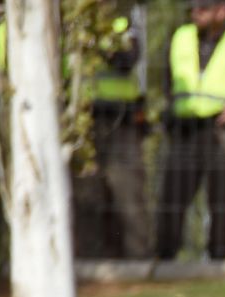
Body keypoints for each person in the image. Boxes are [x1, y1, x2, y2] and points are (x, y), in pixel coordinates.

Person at [156, 0, 225, 260]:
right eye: (194, 7)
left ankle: (219, 260)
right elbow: (167, 79)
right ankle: (165, 258)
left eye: (204, 7)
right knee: (172, 197)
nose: (196, 12)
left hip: (223, 129)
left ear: (222, 10)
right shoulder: (180, 37)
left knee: (222, 200)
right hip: (185, 129)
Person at [74, 10, 151, 258]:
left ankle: (138, 262)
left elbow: (127, 59)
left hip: (121, 121)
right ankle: (87, 260)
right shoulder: (70, 21)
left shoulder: (123, 22)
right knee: (85, 196)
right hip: (82, 121)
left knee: (128, 194)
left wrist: (96, 42)